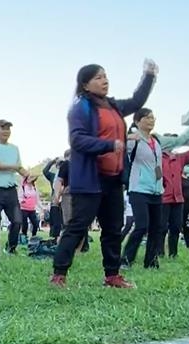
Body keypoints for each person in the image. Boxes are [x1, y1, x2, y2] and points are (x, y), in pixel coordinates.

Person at [51, 59, 157, 288]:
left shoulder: (113, 106)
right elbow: (77, 140)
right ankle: (59, 274)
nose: (104, 80)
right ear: (85, 85)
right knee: (78, 227)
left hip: (113, 179)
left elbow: (137, 101)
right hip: (91, 179)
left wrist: (148, 76)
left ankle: (112, 275)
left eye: (105, 76)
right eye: (98, 77)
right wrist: (109, 145)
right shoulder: (81, 107)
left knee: (112, 228)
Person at [122, 110, 189, 268]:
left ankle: (151, 261)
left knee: (157, 228)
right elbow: (111, 142)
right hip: (139, 189)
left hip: (156, 191)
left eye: (153, 117)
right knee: (142, 226)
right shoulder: (134, 140)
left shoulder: (157, 141)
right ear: (137, 121)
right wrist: (126, 137)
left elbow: (182, 139)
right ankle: (126, 259)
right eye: (147, 117)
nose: (151, 120)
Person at [157, 115, 189, 258]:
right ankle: (159, 252)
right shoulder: (157, 158)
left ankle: (173, 254)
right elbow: (156, 175)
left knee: (175, 227)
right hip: (163, 198)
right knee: (161, 228)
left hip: (178, 199)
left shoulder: (179, 158)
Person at [0, 120, 30, 255]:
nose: (6, 131)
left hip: (11, 189)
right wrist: (13, 167)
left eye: (8, 129)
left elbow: (19, 167)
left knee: (17, 221)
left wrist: (27, 175)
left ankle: (11, 248)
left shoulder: (14, 148)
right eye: (3, 128)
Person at [20, 173, 41, 238]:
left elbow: (37, 199)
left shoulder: (34, 188)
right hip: (23, 208)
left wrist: (42, 208)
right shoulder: (23, 187)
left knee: (35, 223)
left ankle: (34, 236)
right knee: (25, 224)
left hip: (32, 209)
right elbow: (19, 197)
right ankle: (24, 236)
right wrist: (22, 201)